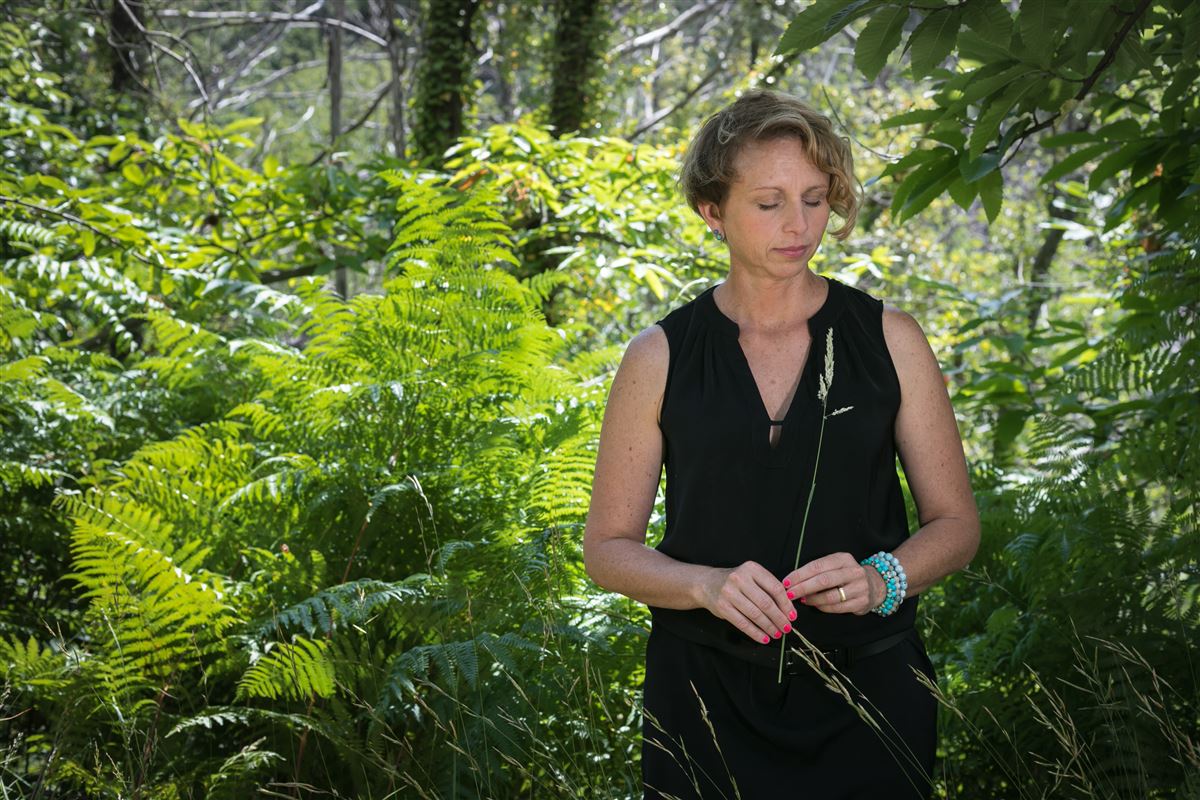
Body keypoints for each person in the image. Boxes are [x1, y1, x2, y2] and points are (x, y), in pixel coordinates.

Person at [582, 89, 980, 799]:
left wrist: (883, 577)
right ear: (713, 211)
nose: (799, 225)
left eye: (815, 199)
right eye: (769, 204)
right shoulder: (659, 356)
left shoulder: (891, 340)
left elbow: (956, 527)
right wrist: (703, 585)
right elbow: (608, 548)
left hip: (870, 695)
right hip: (701, 698)